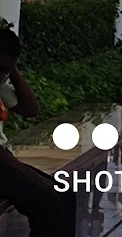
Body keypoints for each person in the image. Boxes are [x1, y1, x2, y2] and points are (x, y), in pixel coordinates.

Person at [0, 29, 76, 237]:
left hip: (4, 162)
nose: (3, 74)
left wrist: (13, 73)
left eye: (7, 69)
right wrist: (31, 177)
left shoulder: (1, 83)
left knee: (65, 194)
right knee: (48, 203)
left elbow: (30, 109)